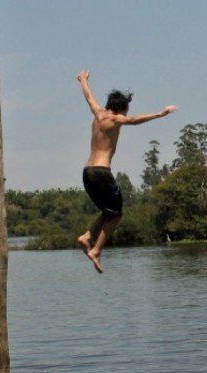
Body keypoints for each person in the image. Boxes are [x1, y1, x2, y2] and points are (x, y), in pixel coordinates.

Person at [76, 70, 178, 273]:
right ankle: (96, 250)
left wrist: (83, 81)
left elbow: (89, 98)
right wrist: (161, 113)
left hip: (87, 172)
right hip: (102, 172)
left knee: (108, 211)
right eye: (125, 110)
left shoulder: (98, 113)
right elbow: (133, 120)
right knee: (116, 215)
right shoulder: (115, 119)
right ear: (121, 108)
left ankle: (87, 236)